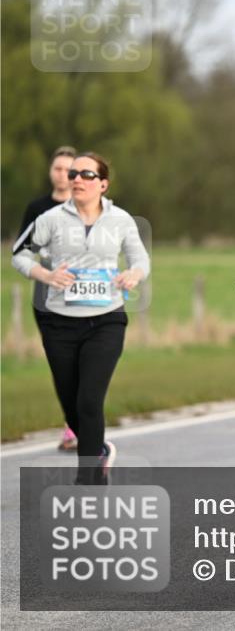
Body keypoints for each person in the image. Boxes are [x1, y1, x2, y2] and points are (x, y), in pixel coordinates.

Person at [13, 152, 150, 483]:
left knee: (89, 400)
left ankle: (87, 481)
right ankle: (99, 451)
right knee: (71, 403)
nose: (76, 179)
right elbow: (20, 254)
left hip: (106, 321)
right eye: (73, 173)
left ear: (103, 183)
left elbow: (140, 260)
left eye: (86, 174)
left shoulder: (120, 220)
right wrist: (45, 276)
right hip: (59, 323)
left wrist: (133, 274)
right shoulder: (51, 219)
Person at [12, 146, 80, 451]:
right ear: (50, 172)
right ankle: (73, 424)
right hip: (46, 294)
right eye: (57, 169)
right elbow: (22, 252)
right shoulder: (37, 208)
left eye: (69, 169)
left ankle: (80, 424)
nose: (63, 175)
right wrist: (45, 272)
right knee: (61, 364)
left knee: (85, 361)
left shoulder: (87, 206)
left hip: (83, 293)